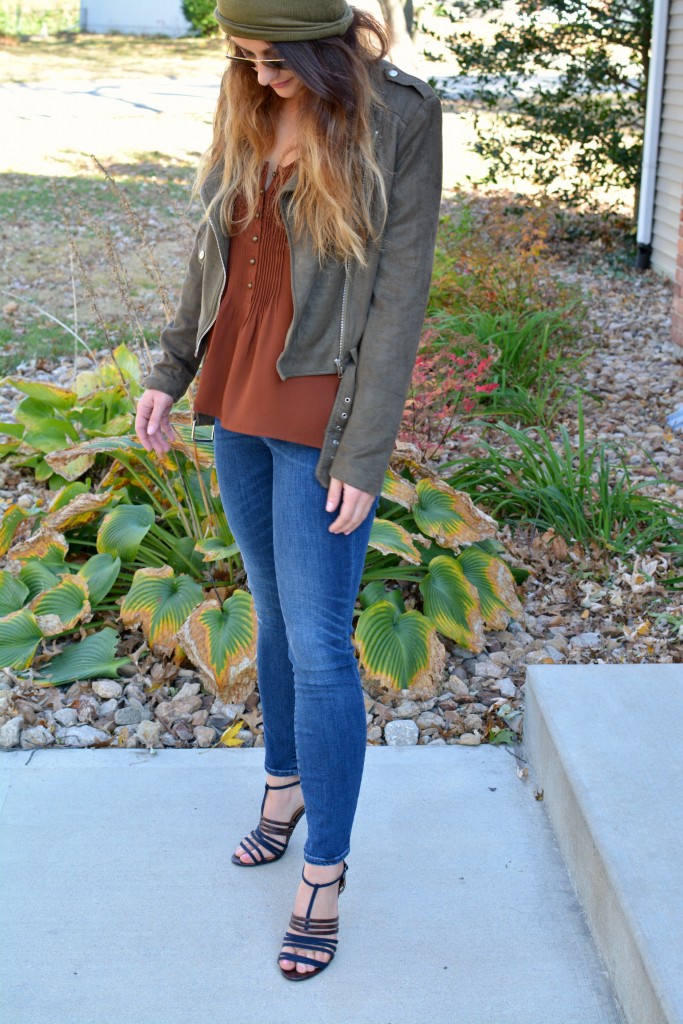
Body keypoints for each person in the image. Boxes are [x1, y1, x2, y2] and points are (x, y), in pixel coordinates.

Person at [135, 0, 442, 982]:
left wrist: (363, 452)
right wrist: (168, 370)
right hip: (235, 393)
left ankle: (323, 870)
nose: (261, 78)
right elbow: (208, 247)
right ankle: (283, 785)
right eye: (246, 58)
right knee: (269, 612)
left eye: (276, 61)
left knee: (317, 643)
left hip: (321, 413)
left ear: (323, 43)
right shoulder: (245, 103)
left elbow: (398, 297)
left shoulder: (397, 119)